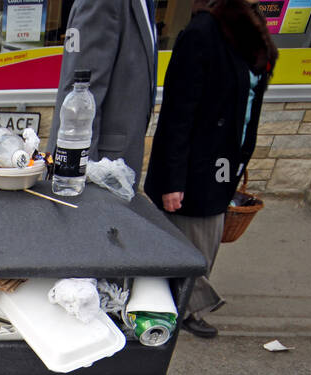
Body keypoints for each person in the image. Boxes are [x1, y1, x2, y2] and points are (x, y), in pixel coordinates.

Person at [143, 0, 276, 339]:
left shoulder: (251, 30)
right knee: (196, 239)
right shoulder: (203, 33)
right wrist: (173, 180)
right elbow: (178, 112)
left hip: (225, 158)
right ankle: (185, 307)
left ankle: (180, 303)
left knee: (208, 235)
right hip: (195, 163)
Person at [48, 0, 158, 187]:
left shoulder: (144, 4)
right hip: (97, 170)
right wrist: (76, 178)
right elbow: (80, 91)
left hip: (116, 164)